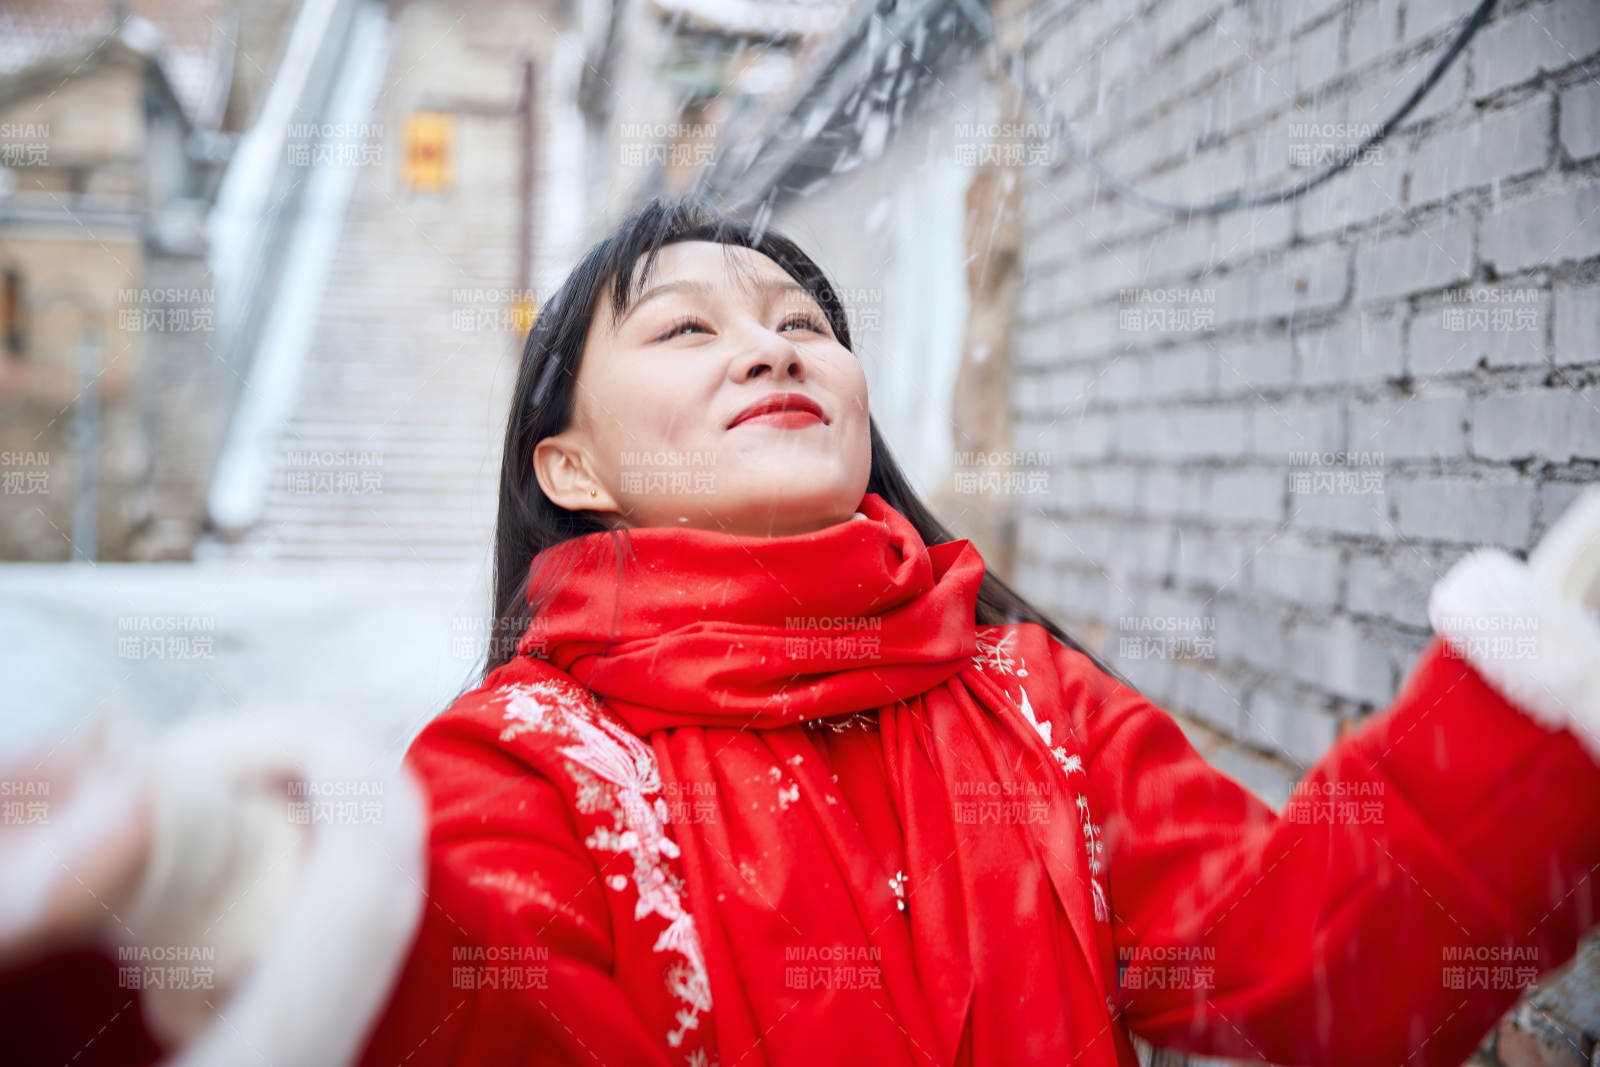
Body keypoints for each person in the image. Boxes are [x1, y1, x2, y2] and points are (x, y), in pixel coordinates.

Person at [3, 195, 1599, 1067]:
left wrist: (1533, 709)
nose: (772, 349)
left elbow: (1303, 976)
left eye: (805, 326)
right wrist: (235, 901)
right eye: (688, 326)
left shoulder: (1032, 701)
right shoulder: (523, 771)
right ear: (569, 464)